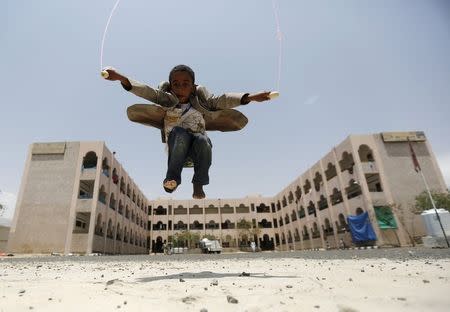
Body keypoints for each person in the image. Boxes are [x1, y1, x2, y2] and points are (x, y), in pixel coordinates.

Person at [104, 65, 271, 199]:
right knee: (179, 132)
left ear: (192, 88)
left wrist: (250, 97)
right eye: (176, 84)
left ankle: (198, 183)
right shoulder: (165, 100)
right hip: (178, 148)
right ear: (170, 87)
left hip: (198, 151)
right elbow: (146, 91)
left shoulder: (203, 102)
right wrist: (121, 78)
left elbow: (223, 99)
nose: (180, 87)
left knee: (202, 139)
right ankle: (172, 179)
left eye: (185, 84)